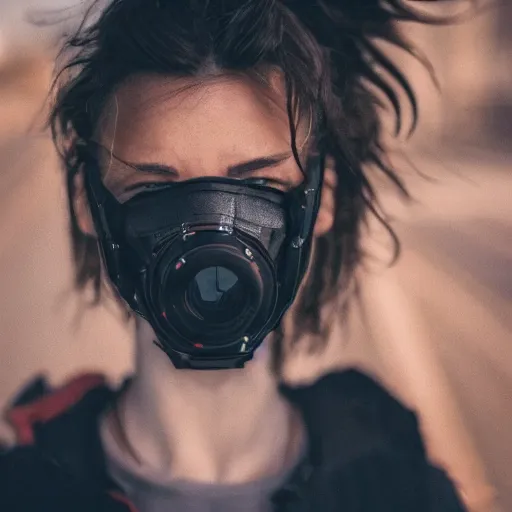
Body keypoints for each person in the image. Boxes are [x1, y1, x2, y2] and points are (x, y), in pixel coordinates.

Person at [0, 0, 468, 510]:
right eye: (153, 189)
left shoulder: (400, 488)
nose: (210, 246)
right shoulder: (24, 489)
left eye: (259, 182)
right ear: (86, 204)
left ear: (322, 198)